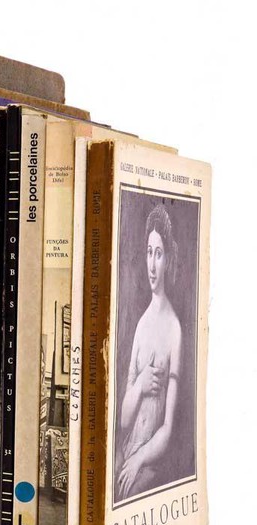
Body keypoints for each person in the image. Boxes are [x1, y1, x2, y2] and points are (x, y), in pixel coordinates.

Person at [116, 203, 181, 501]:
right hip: (126, 449)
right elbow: (123, 420)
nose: (152, 265)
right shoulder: (141, 325)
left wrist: (139, 459)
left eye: (159, 254)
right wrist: (141, 384)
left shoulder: (174, 330)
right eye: (148, 252)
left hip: (150, 461)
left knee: (126, 495)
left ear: (168, 259)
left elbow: (168, 428)